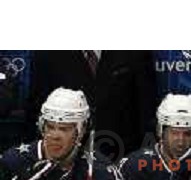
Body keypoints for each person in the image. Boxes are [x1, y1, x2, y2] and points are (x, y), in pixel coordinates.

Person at [26, 51, 157, 160]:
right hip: (67, 161)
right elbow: (37, 108)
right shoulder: (47, 53)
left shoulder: (136, 51)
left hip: (122, 155)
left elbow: (146, 109)